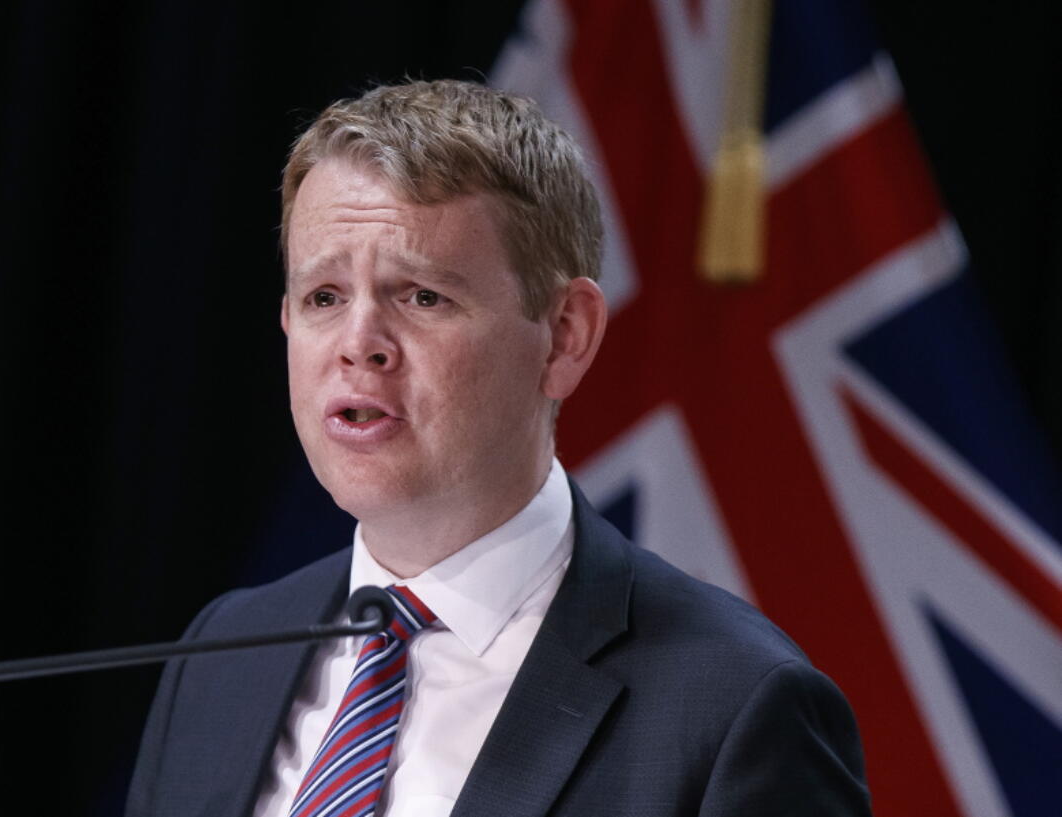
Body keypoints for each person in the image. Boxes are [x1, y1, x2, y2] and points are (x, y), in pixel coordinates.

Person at [127, 79, 872, 817]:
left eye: (422, 295)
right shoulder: (225, 651)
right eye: (325, 296)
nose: (359, 345)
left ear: (564, 335)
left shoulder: (735, 707)